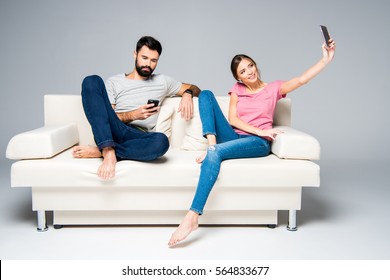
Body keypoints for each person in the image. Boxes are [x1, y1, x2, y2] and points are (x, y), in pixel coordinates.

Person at [168, 38, 336, 247]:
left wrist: (325, 59)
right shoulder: (237, 89)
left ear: (255, 65)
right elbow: (233, 120)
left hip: (257, 142)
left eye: (250, 66)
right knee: (207, 95)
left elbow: (302, 79)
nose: (249, 72)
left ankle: (192, 216)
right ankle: (212, 143)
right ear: (238, 78)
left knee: (214, 155)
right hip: (234, 135)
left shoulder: (274, 88)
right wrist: (251, 129)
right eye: (243, 72)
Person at [72, 36, 201, 180]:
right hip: (115, 130)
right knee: (92, 80)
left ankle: (102, 151)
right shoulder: (115, 82)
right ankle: (108, 150)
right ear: (135, 54)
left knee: (162, 141)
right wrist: (133, 115)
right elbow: (105, 116)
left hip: (139, 137)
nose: (148, 64)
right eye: (144, 58)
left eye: (154, 61)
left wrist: (188, 94)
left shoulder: (163, 81)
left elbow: (194, 88)